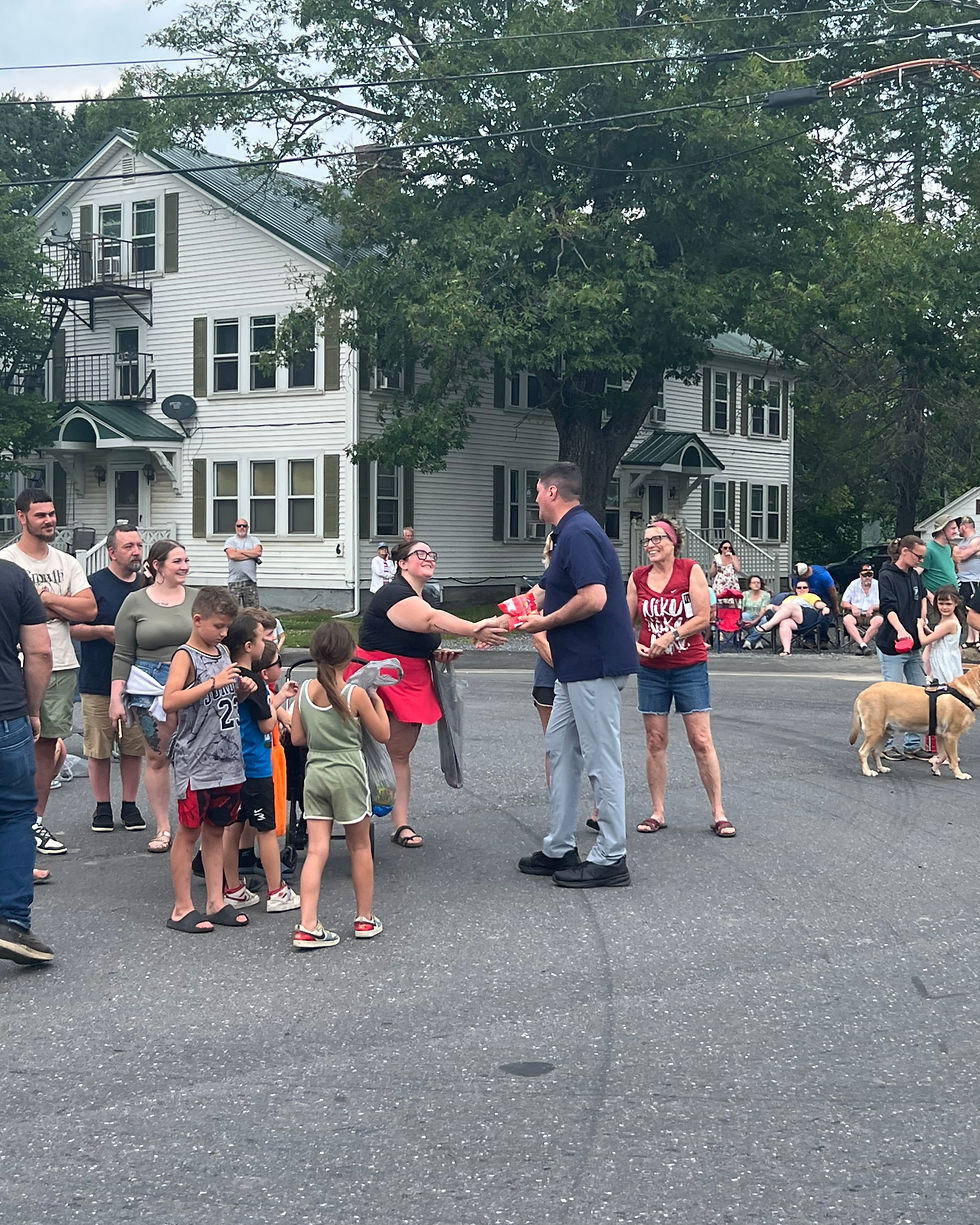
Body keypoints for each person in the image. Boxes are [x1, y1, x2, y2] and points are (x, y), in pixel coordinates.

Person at [517, 461, 637, 887]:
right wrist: (505, 618)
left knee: (602, 758)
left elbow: (594, 598)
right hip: (572, 666)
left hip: (594, 663)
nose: (534, 499)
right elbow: (547, 589)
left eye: (536, 491)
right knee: (560, 750)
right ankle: (560, 846)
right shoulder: (567, 534)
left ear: (552, 492)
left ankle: (611, 856)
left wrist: (543, 623)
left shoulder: (580, 532)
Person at [355, 537, 506, 848]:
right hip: (377, 680)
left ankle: (401, 824)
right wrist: (474, 628)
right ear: (402, 563)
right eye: (419, 553)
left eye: (431, 554)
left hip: (410, 680)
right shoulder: (395, 593)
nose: (428, 558)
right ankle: (358, 823)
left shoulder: (424, 596)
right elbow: (427, 621)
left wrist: (436, 653)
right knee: (361, 753)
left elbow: (422, 631)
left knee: (399, 754)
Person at [0, 488, 96, 856]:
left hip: (62, 662)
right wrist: (57, 609)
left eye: (52, 514)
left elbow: (88, 609)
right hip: (18, 666)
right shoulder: (8, 561)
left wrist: (44, 602)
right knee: (14, 746)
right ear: (22, 517)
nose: (49, 520)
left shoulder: (67, 562)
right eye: (40, 515)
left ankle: (34, 821)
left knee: (46, 747)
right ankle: (15, 821)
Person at [627, 516, 735, 839]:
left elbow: (703, 617)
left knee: (701, 740)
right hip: (652, 671)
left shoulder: (690, 570)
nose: (651, 545)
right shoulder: (638, 578)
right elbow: (623, 620)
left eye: (657, 538)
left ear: (673, 541)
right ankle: (657, 811)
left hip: (689, 665)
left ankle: (718, 812)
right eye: (647, 541)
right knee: (655, 740)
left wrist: (671, 635)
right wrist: (633, 645)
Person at [290, 621, 390, 949]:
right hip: (348, 773)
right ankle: (364, 918)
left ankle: (308, 924)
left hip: (315, 772)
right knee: (359, 847)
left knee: (316, 850)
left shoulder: (304, 692)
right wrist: (376, 700)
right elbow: (382, 734)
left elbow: (298, 738)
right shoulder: (355, 693)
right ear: (350, 655)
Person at [162, 587, 256, 934]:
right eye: (218, 626)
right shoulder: (185, 657)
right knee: (188, 833)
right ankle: (181, 907)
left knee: (216, 830)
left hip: (227, 761)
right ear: (197, 620)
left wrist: (239, 691)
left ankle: (216, 901)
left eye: (227, 627)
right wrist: (213, 683)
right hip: (195, 763)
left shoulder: (221, 653)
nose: (223, 633)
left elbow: (222, 700)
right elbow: (170, 700)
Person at [110, 539, 195, 854]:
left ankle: (194, 823)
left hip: (191, 683)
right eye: (177, 561)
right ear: (157, 566)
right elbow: (122, 653)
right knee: (158, 758)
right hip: (147, 685)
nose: (184, 566)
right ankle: (163, 826)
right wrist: (116, 698)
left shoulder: (198, 599)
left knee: (194, 756)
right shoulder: (135, 602)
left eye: (186, 560)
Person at [220, 613, 300, 913]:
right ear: (250, 645)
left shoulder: (226, 674)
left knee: (232, 826)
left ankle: (232, 888)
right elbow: (267, 725)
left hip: (231, 763)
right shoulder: (251, 680)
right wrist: (273, 708)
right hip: (254, 762)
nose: (268, 640)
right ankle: (277, 890)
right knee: (264, 828)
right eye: (263, 637)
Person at [70, 524, 147, 833]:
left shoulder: (146, 587)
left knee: (133, 747)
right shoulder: (93, 586)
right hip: (98, 678)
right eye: (129, 546)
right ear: (112, 552)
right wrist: (102, 631)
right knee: (99, 747)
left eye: (139, 545)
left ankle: (130, 805)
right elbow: (74, 628)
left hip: (139, 681)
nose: (136, 552)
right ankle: (102, 807)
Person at [0, 558, 55, 965]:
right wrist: (32, 710)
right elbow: (39, 652)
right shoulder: (13, 577)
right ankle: (13, 924)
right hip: (5, 713)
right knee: (16, 816)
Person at [876, 535, 929, 760]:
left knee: (921, 694)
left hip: (913, 647)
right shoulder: (887, 575)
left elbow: (923, 596)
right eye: (918, 556)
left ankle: (913, 744)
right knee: (893, 696)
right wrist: (899, 629)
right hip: (892, 646)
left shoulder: (915, 576)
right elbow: (888, 607)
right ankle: (885, 745)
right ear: (905, 551)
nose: (920, 561)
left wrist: (923, 618)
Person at [757, 578, 833, 657]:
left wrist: (825, 607)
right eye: (799, 587)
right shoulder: (789, 598)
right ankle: (787, 651)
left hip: (808, 616)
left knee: (791, 606)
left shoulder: (811, 596)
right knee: (784, 622)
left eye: (804, 587)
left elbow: (818, 604)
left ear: (808, 589)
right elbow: (780, 609)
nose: (802, 589)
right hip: (794, 620)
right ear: (795, 589)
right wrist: (772, 606)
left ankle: (768, 625)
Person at [918, 585, 964, 685]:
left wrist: (919, 626)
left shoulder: (950, 623)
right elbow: (941, 638)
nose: (944, 607)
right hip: (942, 657)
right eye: (941, 603)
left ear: (956, 603)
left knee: (945, 687)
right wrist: (928, 630)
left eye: (948, 604)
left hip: (946, 661)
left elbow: (924, 641)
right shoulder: (946, 620)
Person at [840, 565, 883, 654]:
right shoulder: (853, 584)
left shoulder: (879, 585)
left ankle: (862, 646)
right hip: (856, 613)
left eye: (869, 575)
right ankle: (863, 645)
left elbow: (885, 603)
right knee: (847, 620)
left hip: (873, 613)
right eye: (864, 575)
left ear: (873, 575)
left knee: (879, 620)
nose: (867, 577)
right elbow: (843, 603)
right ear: (860, 575)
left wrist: (873, 607)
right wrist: (852, 607)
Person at [224, 518, 263, 608]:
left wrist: (239, 551)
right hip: (234, 582)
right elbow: (232, 555)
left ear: (248, 527)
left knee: (252, 611)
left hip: (250, 581)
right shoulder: (230, 541)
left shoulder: (254, 540)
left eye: (244, 526)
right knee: (232, 610)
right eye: (239, 526)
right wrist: (251, 554)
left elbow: (258, 553)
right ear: (235, 527)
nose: (242, 528)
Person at [953, 515, 980, 645]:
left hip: (973, 580)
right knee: (966, 608)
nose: (957, 530)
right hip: (963, 580)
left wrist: (961, 552)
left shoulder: (976, 540)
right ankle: (971, 638)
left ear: (964, 526)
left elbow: (962, 556)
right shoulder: (962, 542)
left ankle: (976, 638)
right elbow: (956, 557)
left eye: (958, 527)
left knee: (973, 607)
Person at [922, 516, 959, 608]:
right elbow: (913, 576)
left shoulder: (947, 547)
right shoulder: (928, 550)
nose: (956, 531)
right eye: (953, 528)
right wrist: (929, 596)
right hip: (937, 603)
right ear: (942, 530)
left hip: (952, 600)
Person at [739, 575, 771, 649]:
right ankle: (757, 640)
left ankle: (748, 641)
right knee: (744, 616)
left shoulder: (766, 595)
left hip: (761, 616)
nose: (756, 584)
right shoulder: (745, 594)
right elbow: (740, 608)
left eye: (758, 582)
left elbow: (763, 610)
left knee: (764, 620)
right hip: (748, 616)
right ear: (750, 585)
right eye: (753, 583)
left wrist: (754, 622)